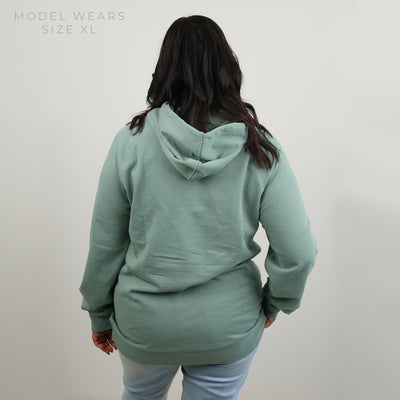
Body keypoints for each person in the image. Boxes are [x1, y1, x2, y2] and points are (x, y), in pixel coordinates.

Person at [78, 14, 319, 400]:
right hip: (228, 325)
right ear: (228, 67)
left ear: (164, 69)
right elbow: (299, 250)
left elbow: (106, 242)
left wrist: (99, 312)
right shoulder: (260, 147)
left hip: (145, 324)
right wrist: (277, 301)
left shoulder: (131, 141)